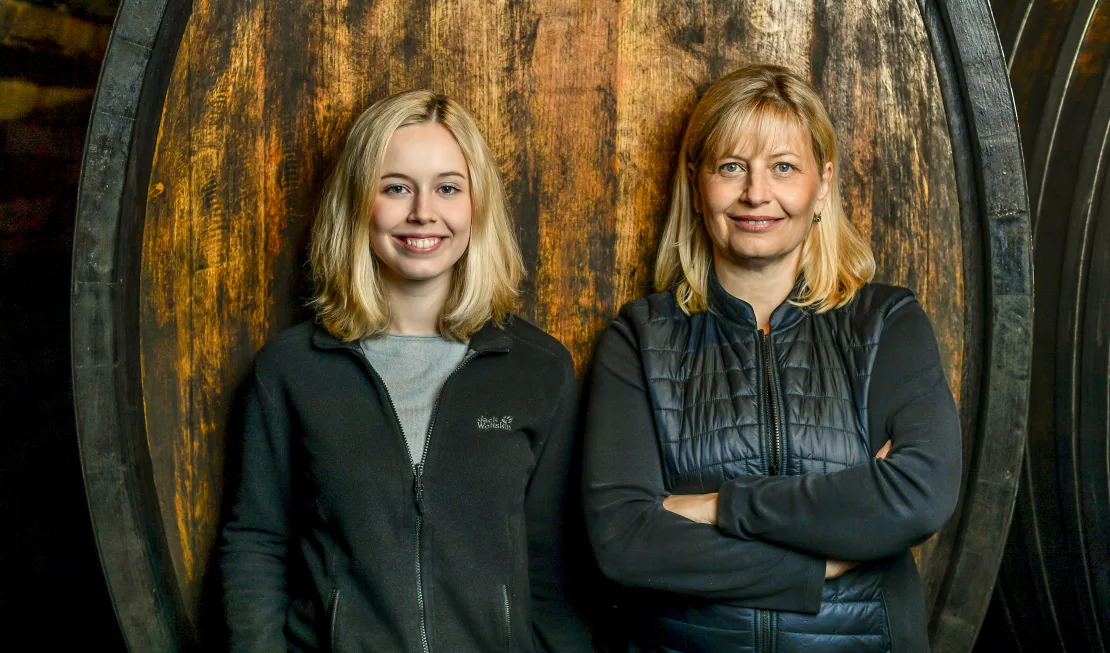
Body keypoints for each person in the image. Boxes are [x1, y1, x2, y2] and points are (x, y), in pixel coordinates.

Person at [582, 64, 961, 652]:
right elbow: (624, 539)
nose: (756, 193)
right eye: (731, 166)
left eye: (783, 167)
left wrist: (718, 506)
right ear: (695, 182)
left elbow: (915, 495)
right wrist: (818, 565)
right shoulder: (640, 337)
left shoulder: (886, 323)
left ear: (823, 183)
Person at [220, 90, 591, 653]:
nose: (423, 212)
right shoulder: (293, 368)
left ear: (477, 206)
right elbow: (256, 545)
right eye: (395, 187)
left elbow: (554, 568)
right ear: (358, 203)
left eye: (448, 188)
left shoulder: (537, 368)